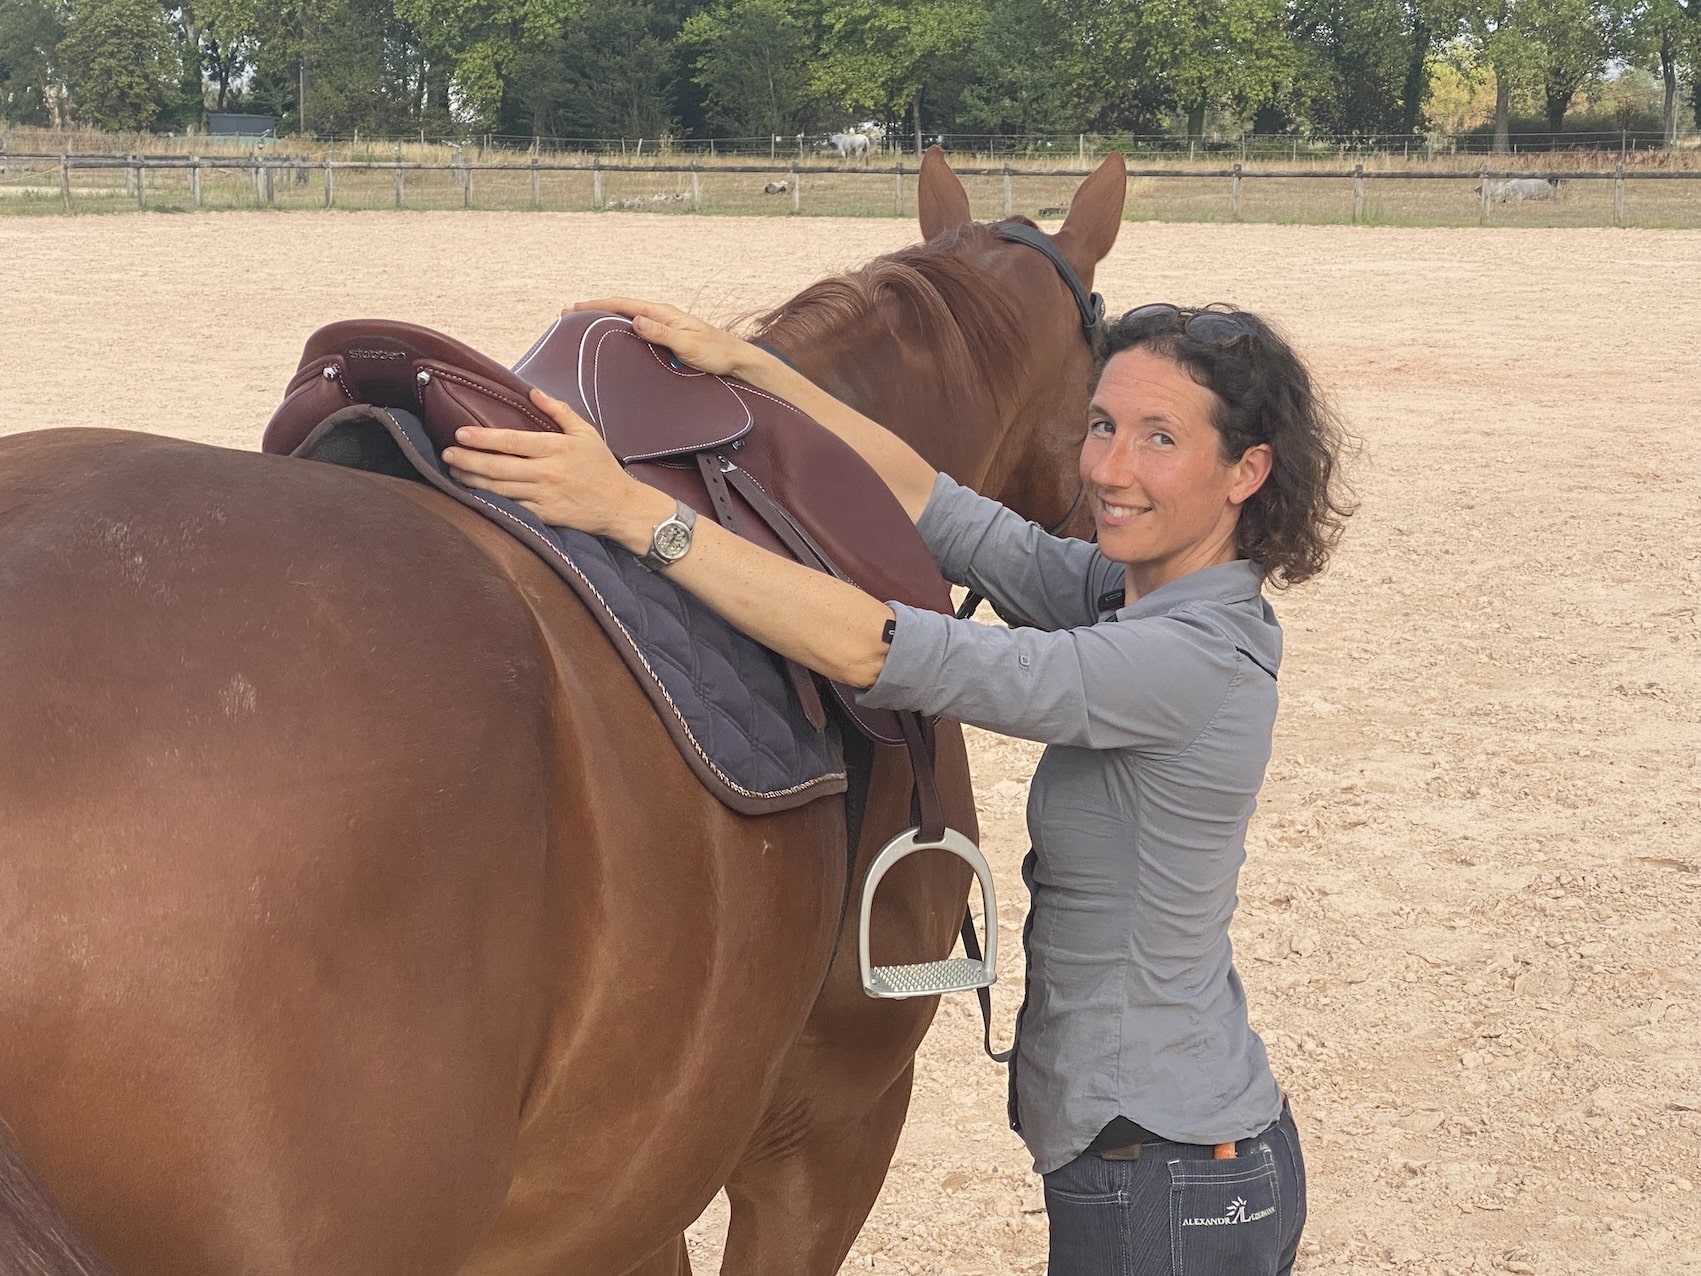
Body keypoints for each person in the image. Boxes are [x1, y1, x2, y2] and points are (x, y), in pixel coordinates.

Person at [441, 297, 1354, 1275]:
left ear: (1246, 472)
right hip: (1189, 1157)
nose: (1108, 469)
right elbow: (932, 500)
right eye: (1102, 425)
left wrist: (630, 513)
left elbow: (879, 649)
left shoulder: (1186, 661)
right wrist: (750, 371)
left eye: (1159, 438)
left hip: (1166, 1185)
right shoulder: (1131, 592)